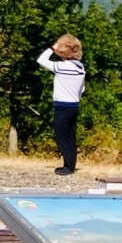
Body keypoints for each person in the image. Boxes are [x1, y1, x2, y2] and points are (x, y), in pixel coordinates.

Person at [36, 33, 86, 175]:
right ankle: (70, 164)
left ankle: (68, 167)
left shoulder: (62, 67)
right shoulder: (80, 68)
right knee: (70, 136)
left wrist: (52, 48)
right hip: (74, 105)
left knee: (62, 137)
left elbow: (41, 60)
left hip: (62, 105)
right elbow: (82, 89)